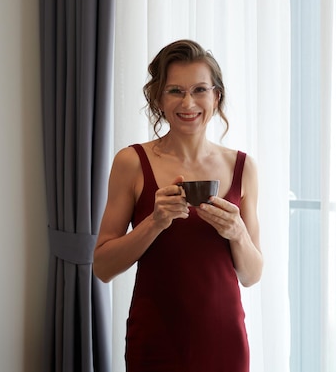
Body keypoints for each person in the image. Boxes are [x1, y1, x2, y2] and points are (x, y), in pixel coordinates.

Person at [93, 39, 263, 371]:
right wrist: (154, 222)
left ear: (216, 96)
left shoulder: (244, 167)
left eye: (200, 89)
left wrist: (237, 232)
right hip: (156, 341)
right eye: (175, 91)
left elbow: (252, 275)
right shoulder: (131, 162)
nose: (188, 102)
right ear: (158, 98)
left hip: (225, 341)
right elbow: (103, 267)